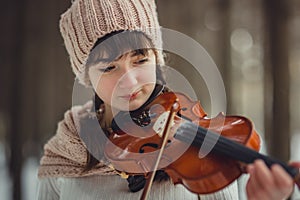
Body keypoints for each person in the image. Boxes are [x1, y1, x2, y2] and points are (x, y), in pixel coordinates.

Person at [37, 0, 300, 199]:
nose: (130, 81)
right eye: (108, 68)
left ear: (157, 59)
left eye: (140, 60)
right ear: (86, 76)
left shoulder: (203, 156)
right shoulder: (64, 158)